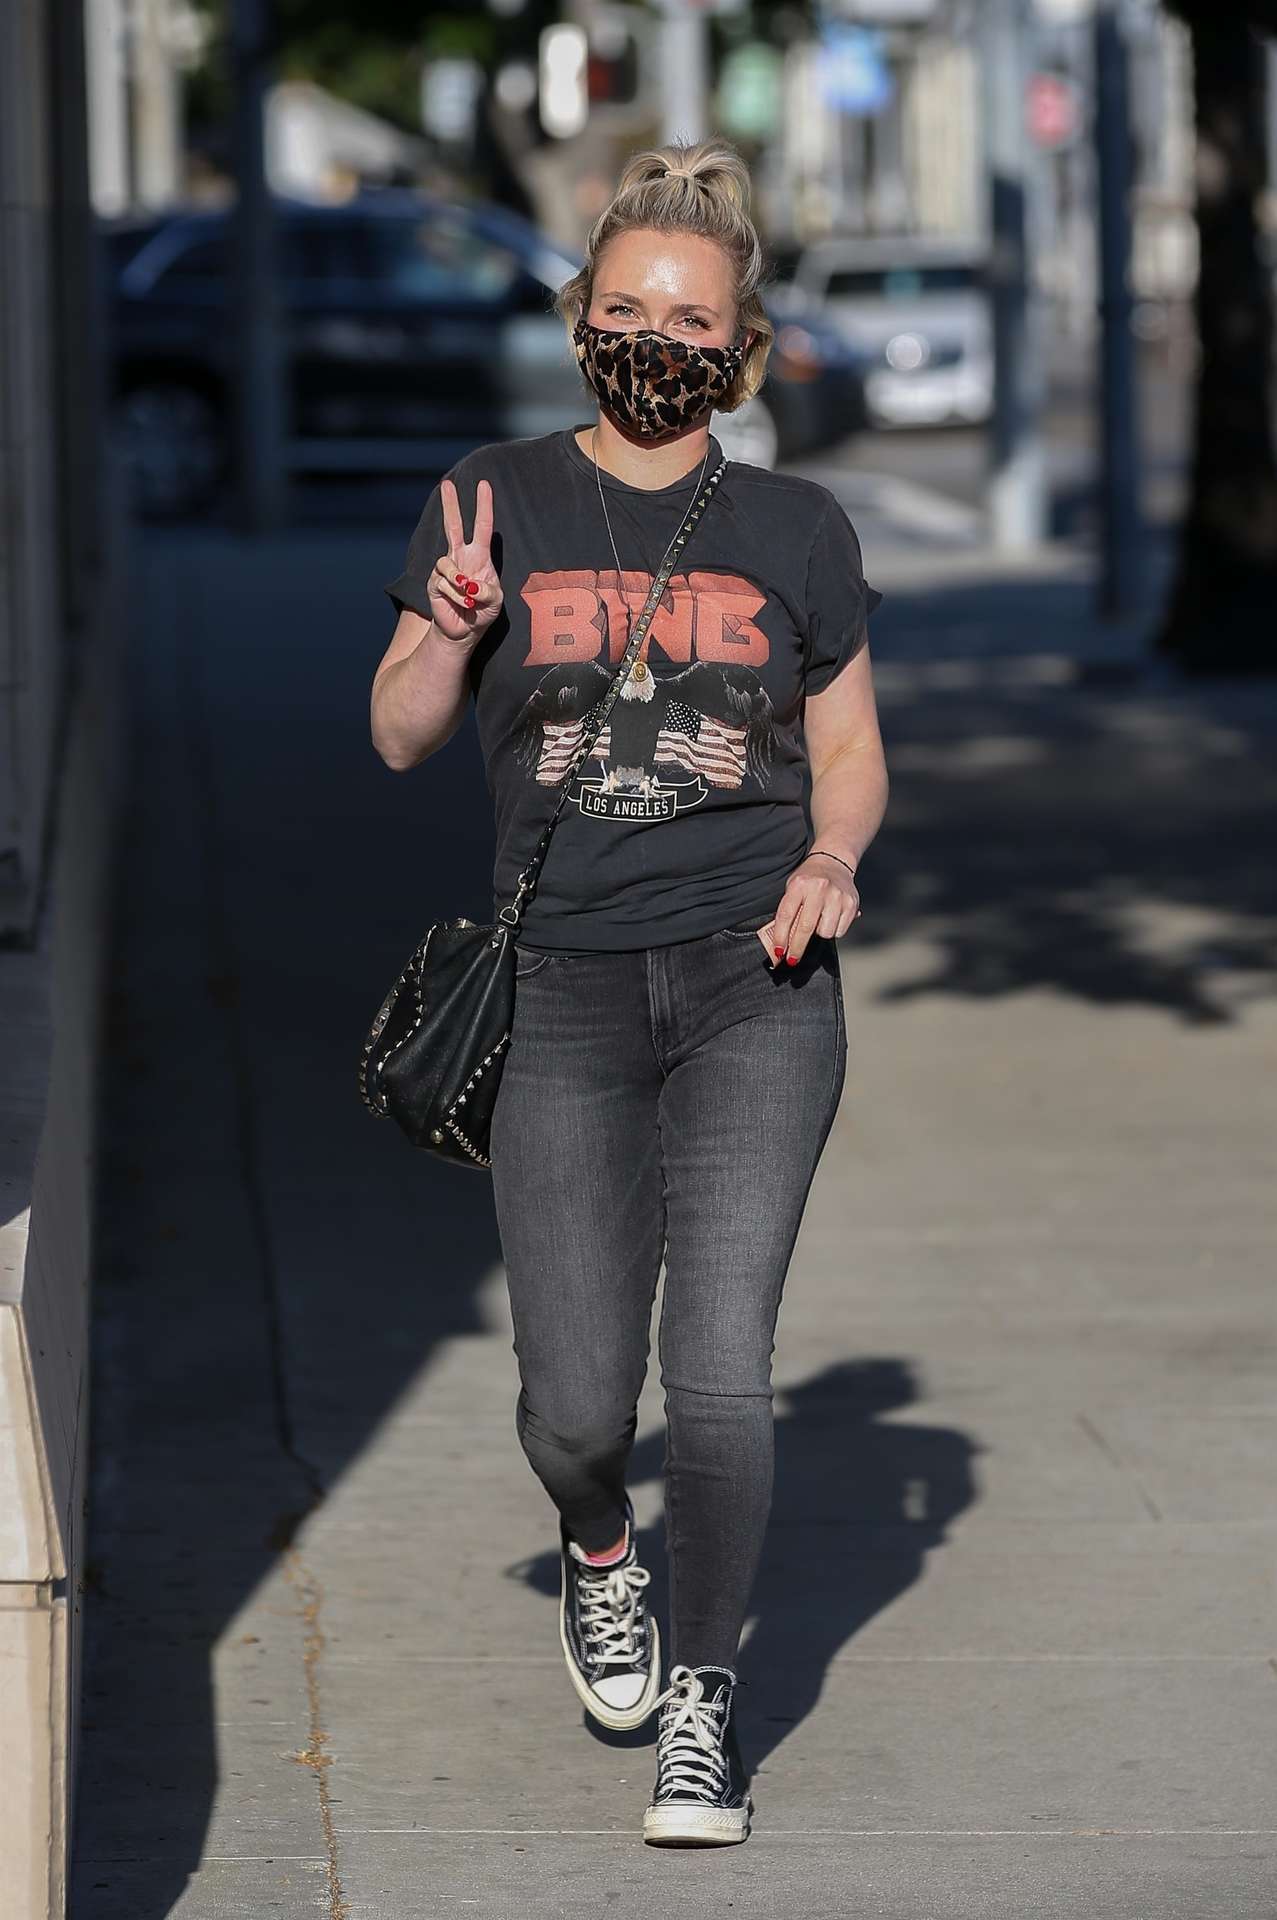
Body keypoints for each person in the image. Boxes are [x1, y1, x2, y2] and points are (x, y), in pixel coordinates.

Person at [369, 137, 887, 1848]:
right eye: (626, 310)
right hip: (562, 996)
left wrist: (831, 858)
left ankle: (703, 1707)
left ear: (738, 350)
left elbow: (846, 750)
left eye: (689, 321)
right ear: (580, 315)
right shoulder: (492, 497)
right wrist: (452, 626)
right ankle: (603, 1548)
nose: (653, 342)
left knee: (719, 1371)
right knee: (579, 1403)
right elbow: (396, 732)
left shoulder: (795, 527)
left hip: (757, 980)